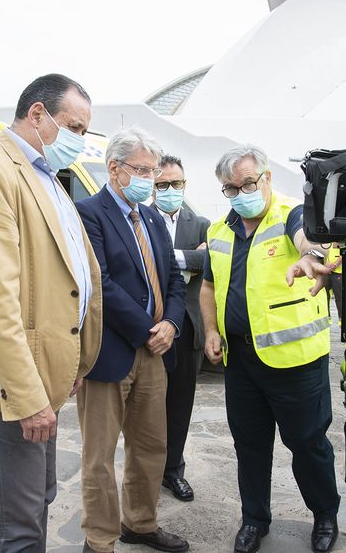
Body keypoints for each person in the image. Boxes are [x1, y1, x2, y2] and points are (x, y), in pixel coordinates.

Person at [0, 73, 103, 552]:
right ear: (37, 114)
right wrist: (28, 396)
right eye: (74, 127)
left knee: (38, 500)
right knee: (19, 524)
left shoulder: (45, 177)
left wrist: (73, 362)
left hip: (43, 373)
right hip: (12, 387)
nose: (80, 141)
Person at [200, 145, 341, 553]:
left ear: (267, 178)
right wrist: (210, 330)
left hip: (295, 361)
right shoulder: (218, 230)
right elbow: (208, 286)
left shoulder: (292, 213)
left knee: (308, 444)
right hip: (241, 361)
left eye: (247, 183)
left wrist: (310, 255)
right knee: (249, 446)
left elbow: (308, 239)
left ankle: (325, 515)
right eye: (230, 188)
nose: (240, 193)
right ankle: (254, 520)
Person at [76, 128, 188, 553]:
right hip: (110, 354)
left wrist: (171, 324)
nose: (149, 179)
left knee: (150, 447)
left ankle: (140, 523)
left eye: (153, 171)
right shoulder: (89, 214)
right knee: (100, 456)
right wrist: (147, 331)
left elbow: (174, 279)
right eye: (142, 170)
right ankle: (100, 540)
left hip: (155, 354)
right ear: (114, 168)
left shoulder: (153, 218)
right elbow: (98, 283)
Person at [149, 154, 210, 502]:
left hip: (187, 326)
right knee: (147, 404)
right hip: (150, 326)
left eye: (176, 183)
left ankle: (173, 470)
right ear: (153, 186)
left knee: (180, 402)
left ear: (184, 184)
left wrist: (170, 258)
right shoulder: (140, 218)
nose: (170, 190)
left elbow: (210, 260)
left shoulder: (201, 224)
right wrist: (189, 258)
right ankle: (147, 469)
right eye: (162, 184)